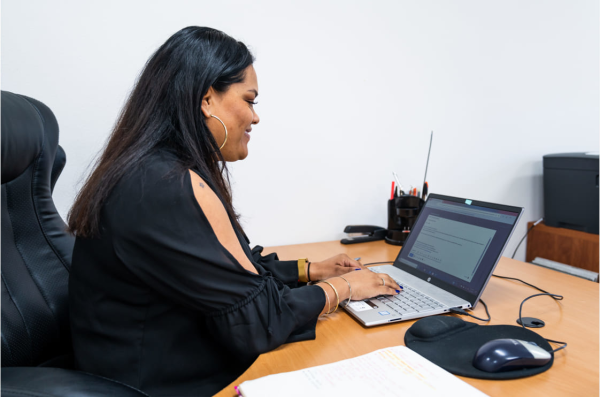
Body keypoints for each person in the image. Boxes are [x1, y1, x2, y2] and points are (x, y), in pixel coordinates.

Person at [68, 26, 400, 396]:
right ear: (206, 99)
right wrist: (344, 287)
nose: (255, 118)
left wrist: (310, 270)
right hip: (154, 383)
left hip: (143, 361)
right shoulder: (166, 188)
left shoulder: (152, 172)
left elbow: (229, 271)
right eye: (250, 99)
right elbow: (257, 322)